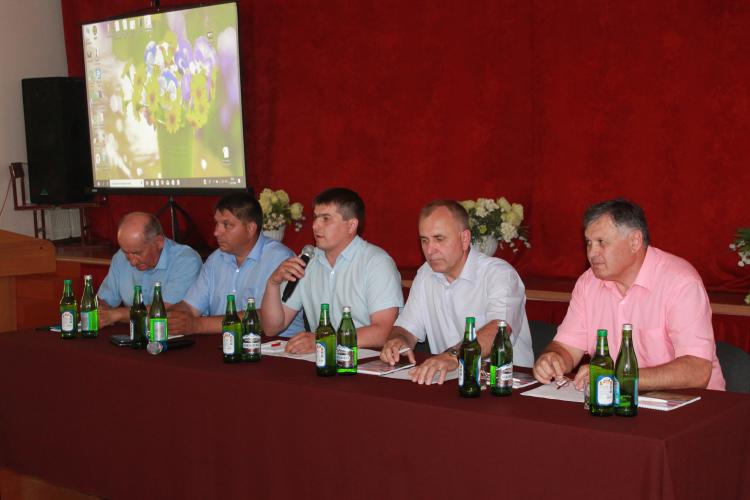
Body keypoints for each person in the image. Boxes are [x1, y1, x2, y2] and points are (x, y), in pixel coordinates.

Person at [532, 198, 726, 391]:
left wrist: (620, 378)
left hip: (691, 403)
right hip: (618, 399)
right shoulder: (588, 283)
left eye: (601, 242)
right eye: (589, 243)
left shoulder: (680, 282)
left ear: (634, 241)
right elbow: (567, 347)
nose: (592, 253)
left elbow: (697, 370)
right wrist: (554, 358)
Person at [380, 200, 534, 384]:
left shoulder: (499, 274)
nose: (429, 250)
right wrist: (398, 340)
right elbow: (407, 328)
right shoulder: (425, 275)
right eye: (424, 240)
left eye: (439, 239)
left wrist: (453, 355)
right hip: (450, 381)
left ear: (464, 239)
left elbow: (498, 331)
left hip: (504, 384)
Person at [261, 187, 403, 353]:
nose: (315, 226)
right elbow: (272, 328)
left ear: (351, 225)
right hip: (322, 359)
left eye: (326, 219)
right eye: (315, 218)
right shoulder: (307, 261)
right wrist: (273, 283)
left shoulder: (376, 263)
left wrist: (324, 341)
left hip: (366, 359)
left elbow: (383, 332)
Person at [168, 192, 304, 336]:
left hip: (274, 344)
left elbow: (265, 318)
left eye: (226, 225)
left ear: (250, 228)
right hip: (224, 343)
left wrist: (198, 325)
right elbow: (190, 307)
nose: (216, 232)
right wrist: (167, 318)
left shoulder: (280, 258)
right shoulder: (216, 259)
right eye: (217, 223)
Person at [97, 212, 202, 327]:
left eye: (137, 253)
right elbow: (104, 300)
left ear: (159, 242)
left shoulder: (186, 260)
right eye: (126, 253)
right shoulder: (120, 257)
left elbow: (166, 311)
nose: (132, 262)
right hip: (134, 332)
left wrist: (119, 314)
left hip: (174, 334)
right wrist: (101, 309)